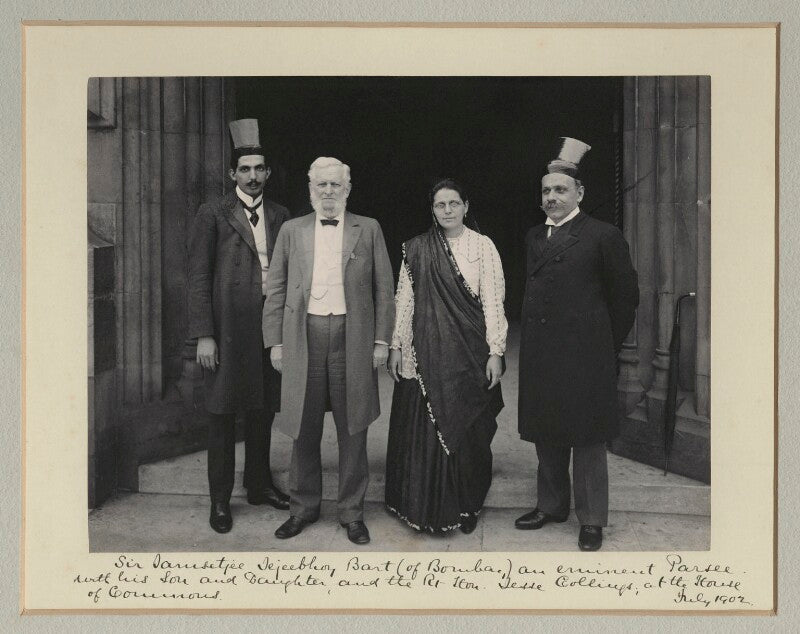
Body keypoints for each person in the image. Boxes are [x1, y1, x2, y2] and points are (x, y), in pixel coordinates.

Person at [262, 157, 395, 545]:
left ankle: (352, 512)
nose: (328, 193)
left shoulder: (368, 228)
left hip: (352, 334)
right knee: (302, 425)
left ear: (347, 189)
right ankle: (302, 508)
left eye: (336, 185)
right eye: (321, 185)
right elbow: (277, 290)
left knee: (353, 425)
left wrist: (382, 341)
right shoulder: (291, 230)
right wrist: (275, 342)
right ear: (310, 189)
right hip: (304, 333)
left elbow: (383, 289)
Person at [516, 137, 639, 551]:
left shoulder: (603, 235)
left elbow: (625, 299)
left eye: (560, 190)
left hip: (587, 355)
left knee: (587, 439)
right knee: (547, 432)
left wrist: (603, 343)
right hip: (542, 354)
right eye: (546, 191)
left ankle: (592, 519)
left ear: (579, 193)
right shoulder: (535, 236)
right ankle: (551, 506)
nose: (552, 197)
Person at [385, 178, 507, 535]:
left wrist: (496, 351)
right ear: (433, 210)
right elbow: (404, 301)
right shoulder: (417, 248)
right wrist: (396, 345)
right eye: (441, 205)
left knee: (469, 431)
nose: (448, 211)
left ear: (466, 206)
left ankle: (468, 506)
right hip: (424, 352)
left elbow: (493, 302)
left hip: (470, 355)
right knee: (423, 429)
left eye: (454, 203)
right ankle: (418, 505)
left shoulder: (483, 247)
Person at [188, 118, 291, 534]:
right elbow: (197, 276)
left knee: (263, 409)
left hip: (268, 328)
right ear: (233, 174)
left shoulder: (281, 214)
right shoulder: (212, 213)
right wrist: (204, 334)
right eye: (244, 169)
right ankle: (219, 500)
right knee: (223, 414)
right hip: (227, 329)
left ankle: (259, 485)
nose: (252, 176)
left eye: (259, 169)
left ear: (267, 173)